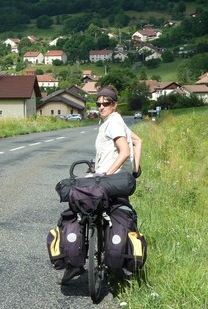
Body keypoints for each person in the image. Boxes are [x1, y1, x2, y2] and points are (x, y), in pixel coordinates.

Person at [60, 85, 142, 285]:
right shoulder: (116, 121)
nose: (102, 106)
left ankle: (74, 262)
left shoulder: (113, 123)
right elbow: (138, 142)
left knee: (77, 207)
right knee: (117, 215)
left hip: (107, 180)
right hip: (117, 182)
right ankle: (119, 264)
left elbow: (123, 151)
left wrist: (105, 174)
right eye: (99, 103)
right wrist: (135, 170)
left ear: (115, 105)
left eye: (106, 103)